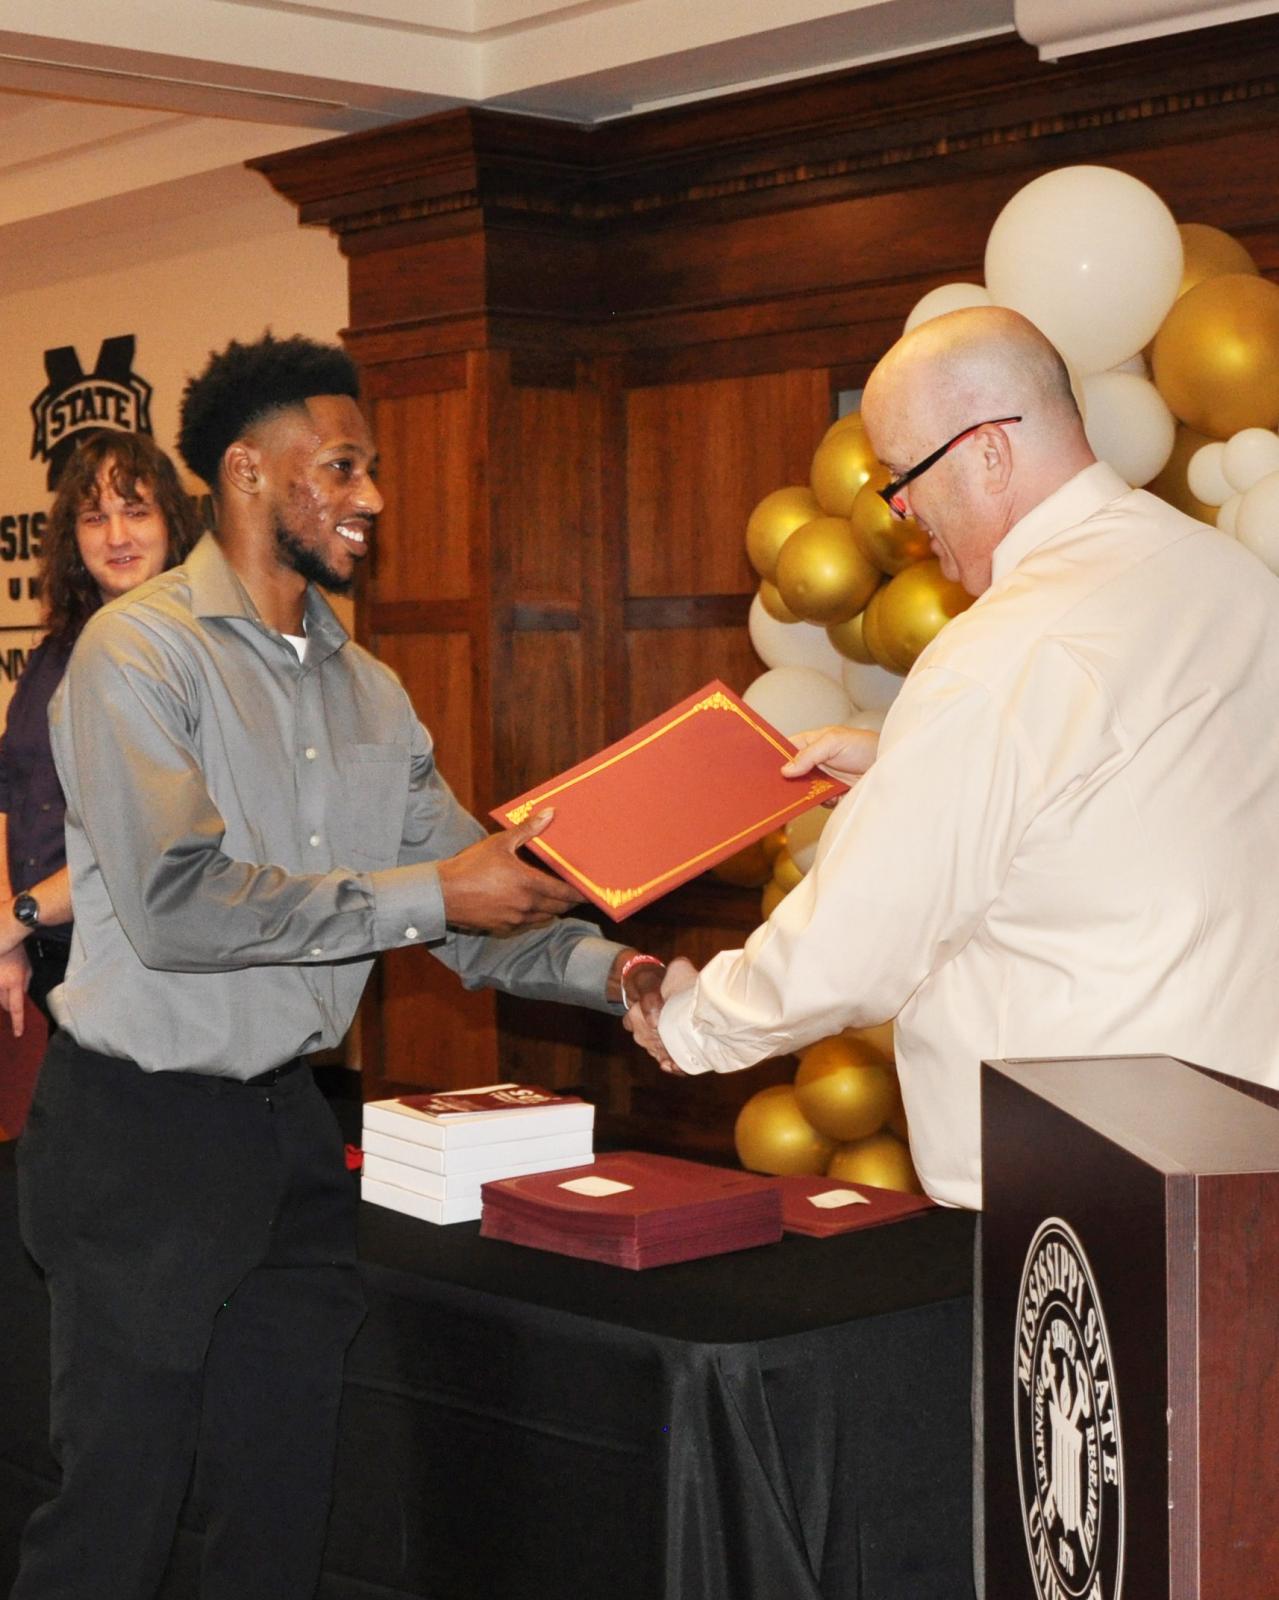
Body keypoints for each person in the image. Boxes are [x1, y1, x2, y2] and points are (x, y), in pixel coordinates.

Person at [12, 331, 664, 1600]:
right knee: (117, 1517)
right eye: (344, 467)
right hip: (137, 1140)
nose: (371, 497)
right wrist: (439, 889)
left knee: (282, 1506)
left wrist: (622, 975)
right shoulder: (137, 657)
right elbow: (177, 907)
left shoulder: (373, 693)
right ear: (248, 474)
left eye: (371, 470)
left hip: (297, 1130)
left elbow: (477, 906)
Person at [628, 304, 1279, 1212]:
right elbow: (1163, 798)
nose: (901, 514)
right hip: (1246, 1140)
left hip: (1079, 1186)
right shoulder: (1229, 576)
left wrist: (699, 1023)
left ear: (988, 452)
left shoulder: (999, 652)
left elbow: (857, 943)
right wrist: (909, 763)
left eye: (904, 477)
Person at [0, 430, 201, 1035]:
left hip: (143, 962)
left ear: (172, 525)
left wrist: (15, 919)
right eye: (96, 517)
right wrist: (9, 933)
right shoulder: (53, 655)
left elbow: (151, 837)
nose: (117, 537)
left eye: (136, 511)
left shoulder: (198, 656)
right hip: (42, 951)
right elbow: (7, 788)